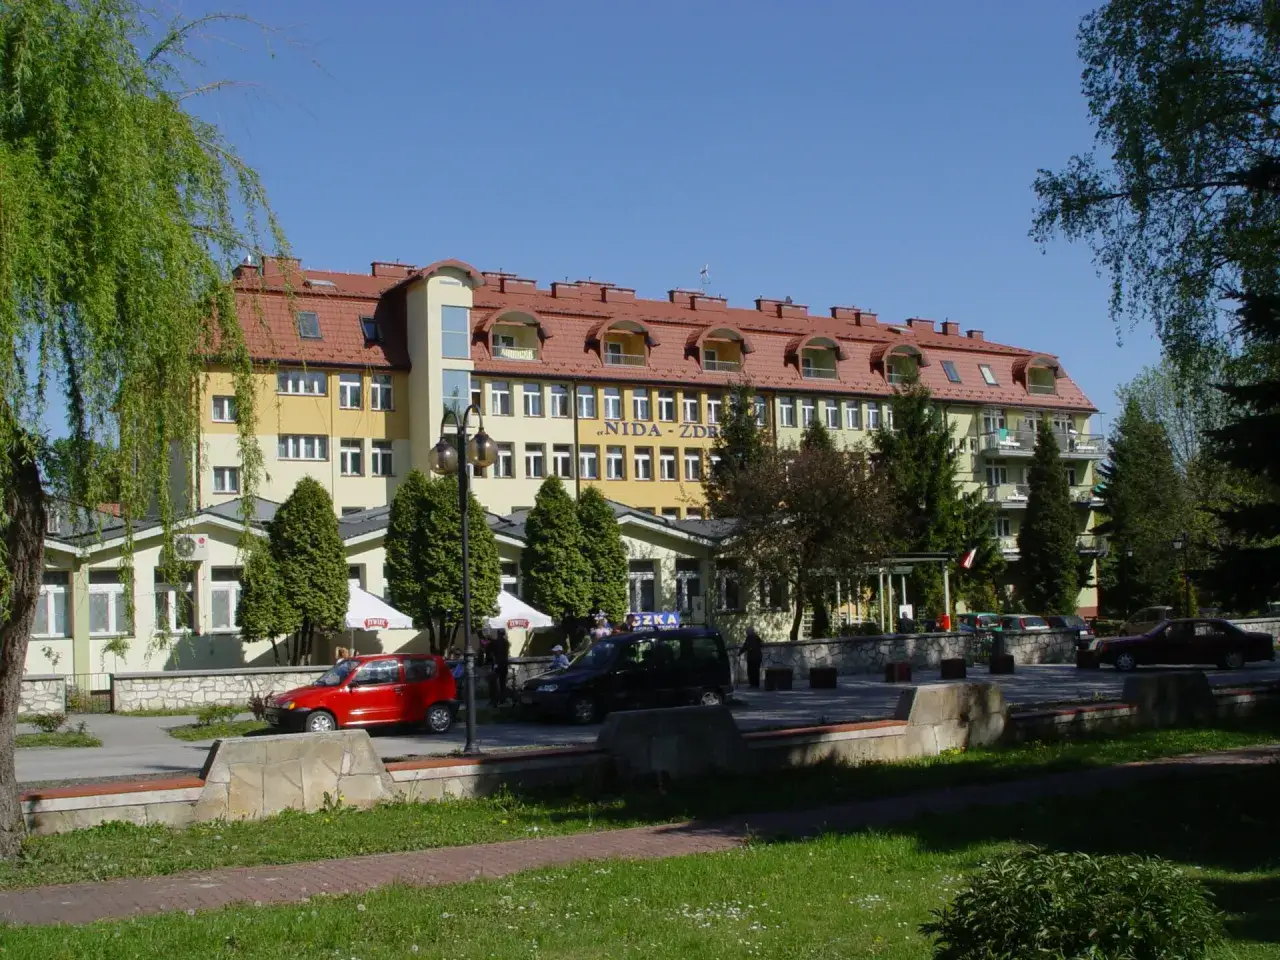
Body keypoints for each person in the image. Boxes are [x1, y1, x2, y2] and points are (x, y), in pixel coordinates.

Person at [489, 628, 511, 707]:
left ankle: (495, 700)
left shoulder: (494, 642)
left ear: (498, 634)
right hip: (504, 664)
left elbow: (490, 651)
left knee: (494, 683)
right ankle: (502, 699)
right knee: (502, 683)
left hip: (497, 664)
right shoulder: (506, 642)